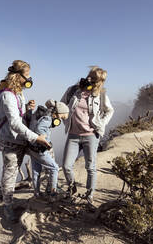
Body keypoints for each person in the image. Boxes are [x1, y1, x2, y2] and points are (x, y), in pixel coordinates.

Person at [0, 60, 51, 222]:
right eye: (27, 76)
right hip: (10, 141)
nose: (29, 79)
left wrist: (27, 109)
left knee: (42, 160)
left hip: (20, 139)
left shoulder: (18, 93)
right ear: (17, 75)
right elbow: (13, 122)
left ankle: (47, 192)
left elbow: (17, 116)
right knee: (10, 173)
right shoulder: (6, 95)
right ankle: (7, 206)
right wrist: (36, 137)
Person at [60, 66, 114, 204]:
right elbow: (61, 105)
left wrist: (101, 124)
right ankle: (72, 189)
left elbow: (110, 110)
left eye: (94, 79)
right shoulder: (73, 90)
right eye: (89, 76)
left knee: (90, 167)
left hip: (91, 135)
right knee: (66, 166)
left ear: (99, 82)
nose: (90, 79)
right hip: (73, 135)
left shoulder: (101, 95)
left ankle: (89, 195)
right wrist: (63, 117)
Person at [27, 100, 69, 200]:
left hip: (31, 147)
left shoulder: (41, 115)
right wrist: (45, 139)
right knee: (54, 168)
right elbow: (39, 129)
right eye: (62, 116)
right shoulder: (48, 118)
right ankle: (53, 193)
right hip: (40, 148)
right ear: (59, 113)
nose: (61, 119)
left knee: (36, 171)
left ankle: (36, 194)